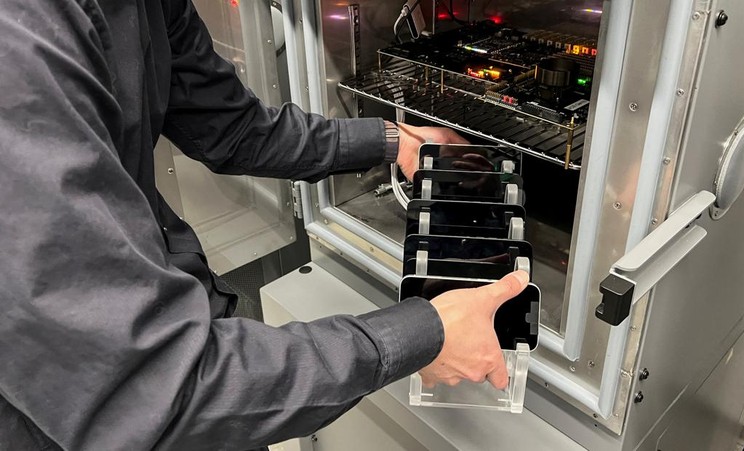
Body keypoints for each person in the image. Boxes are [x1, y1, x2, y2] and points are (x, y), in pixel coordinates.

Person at [0, 0, 529, 449]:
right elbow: (155, 393)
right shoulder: (20, 40)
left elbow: (233, 128)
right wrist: (422, 334)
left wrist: (395, 141)